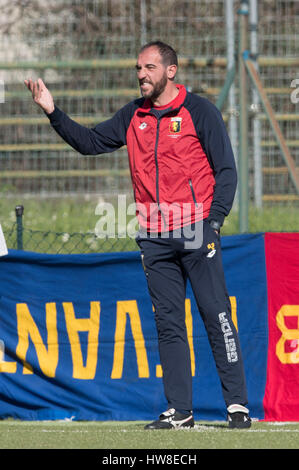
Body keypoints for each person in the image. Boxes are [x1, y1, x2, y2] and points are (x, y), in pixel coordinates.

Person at [24, 40, 251, 430]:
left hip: (198, 231)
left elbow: (226, 171)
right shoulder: (133, 114)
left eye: (148, 67)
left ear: (170, 70)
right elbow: (91, 143)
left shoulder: (201, 112)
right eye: (138, 68)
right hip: (154, 237)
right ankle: (181, 411)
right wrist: (53, 111)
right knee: (168, 324)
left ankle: (237, 406)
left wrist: (214, 221)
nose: (141, 75)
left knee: (217, 317)